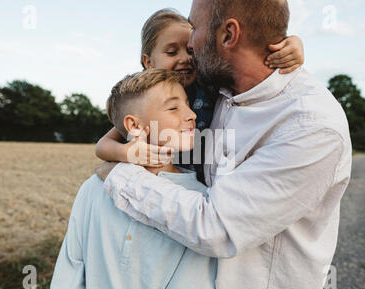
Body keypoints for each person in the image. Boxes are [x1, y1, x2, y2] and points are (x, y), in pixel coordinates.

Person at [97, 0, 353, 289]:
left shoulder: (312, 127)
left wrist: (120, 176)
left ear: (229, 35)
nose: (189, 45)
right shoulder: (219, 85)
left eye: (194, 29)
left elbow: (215, 227)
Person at [49, 69, 217, 289]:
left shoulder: (199, 204)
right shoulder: (94, 187)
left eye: (188, 104)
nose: (191, 115)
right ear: (134, 125)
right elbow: (69, 273)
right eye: (173, 108)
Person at [95, 8, 305, 184]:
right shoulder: (146, 101)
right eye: (171, 52)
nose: (185, 58)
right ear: (148, 61)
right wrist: (127, 153)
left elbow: (247, 60)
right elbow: (104, 145)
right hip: (164, 183)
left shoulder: (207, 83)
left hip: (205, 188)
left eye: (190, 50)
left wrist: (294, 43)